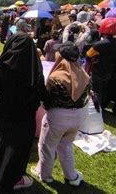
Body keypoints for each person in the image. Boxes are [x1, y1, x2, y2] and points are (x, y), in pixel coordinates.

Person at [0, 32, 46, 192]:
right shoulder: (36, 69)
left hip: (3, 117)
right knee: (15, 154)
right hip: (24, 119)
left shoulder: (4, 66)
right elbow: (42, 93)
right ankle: (13, 180)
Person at [31, 42, 89, 186]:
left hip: (57, 117)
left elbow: (48, 101)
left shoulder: (56, 77)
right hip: (77, 117)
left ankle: (45, 175)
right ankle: (72, 177)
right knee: (66, 146)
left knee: (47, 147)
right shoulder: (84, 75)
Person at [85, 18, 116, 110]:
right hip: (109, 70)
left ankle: (96, 109)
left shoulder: (99, 44)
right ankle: (102, 107)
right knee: (104, 89)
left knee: (96, 90)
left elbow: (88, 55)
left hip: (97, 70)